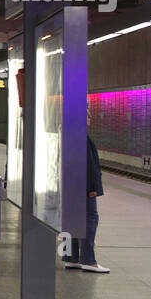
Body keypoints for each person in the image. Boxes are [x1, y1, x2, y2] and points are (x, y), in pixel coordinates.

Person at [63, 103, 108, 273]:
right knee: (90, 220)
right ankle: (89, 260)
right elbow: (88, 166)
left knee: (72, 219)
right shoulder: (83, 138)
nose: (90, 119)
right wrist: (92, 188)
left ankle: (71, 257)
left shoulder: (71, 136)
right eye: (88, 116)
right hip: (84, 188)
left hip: (72, 186)